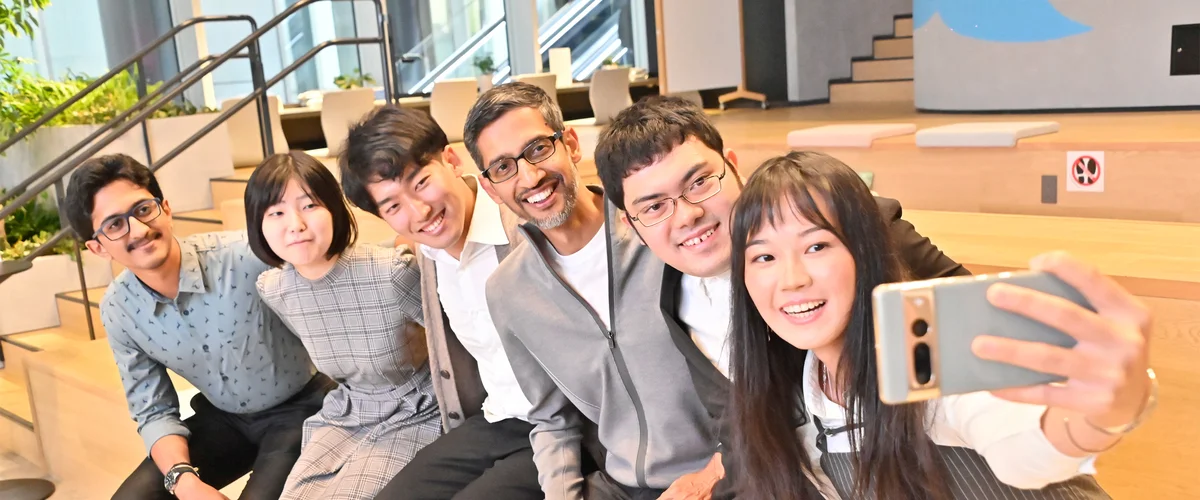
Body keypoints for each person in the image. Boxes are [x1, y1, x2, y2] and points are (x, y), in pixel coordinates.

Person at [592, 95, 970, 495]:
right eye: (653, 208)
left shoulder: (845, 230)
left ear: (733, 167)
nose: (687, 215)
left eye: (700, 182)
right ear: (631, 224)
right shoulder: (674, 302)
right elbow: (742, 434)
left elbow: (976, 323)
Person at [725, 152, 1154, 499]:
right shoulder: (790, 399)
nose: (792, 279)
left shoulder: (932, 350)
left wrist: (1103, 416)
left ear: (867, 252)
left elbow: (1022, 448)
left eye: (817, 245)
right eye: (764, 257)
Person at [463, 82, 720, 499]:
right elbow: (551, 420)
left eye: (538, 149)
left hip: (721, 471)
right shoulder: (508, 291)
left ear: (570, 144)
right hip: (621, 484)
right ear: (490, 187)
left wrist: (713, 474)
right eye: (504, 168)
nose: (530, 176)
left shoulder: (659, 228)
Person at [63, 154, 333, 500]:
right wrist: (184, 480)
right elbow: (154, 409)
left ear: (166, 208)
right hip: (224, 419)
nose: (140, 230)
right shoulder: (119, 310)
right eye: (115, 225)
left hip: (301, 408)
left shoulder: (246, 256)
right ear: (97, 247)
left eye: (143, 210)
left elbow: (328, 261)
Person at [337, 106, 543, 499]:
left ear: (451, 159)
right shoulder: (429, 250)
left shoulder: (522, 225)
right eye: (393, 206)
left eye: (421, 182)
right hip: (497, 419)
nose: (420, 210)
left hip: (561, 426)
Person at [245, 151, 442, 499]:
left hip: (419, 408)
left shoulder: (391, 273)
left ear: (335, 209)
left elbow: (454, 342)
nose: (295, 224)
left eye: (309, 205)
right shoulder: (274, 289)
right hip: (347, 411)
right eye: (276, 212)